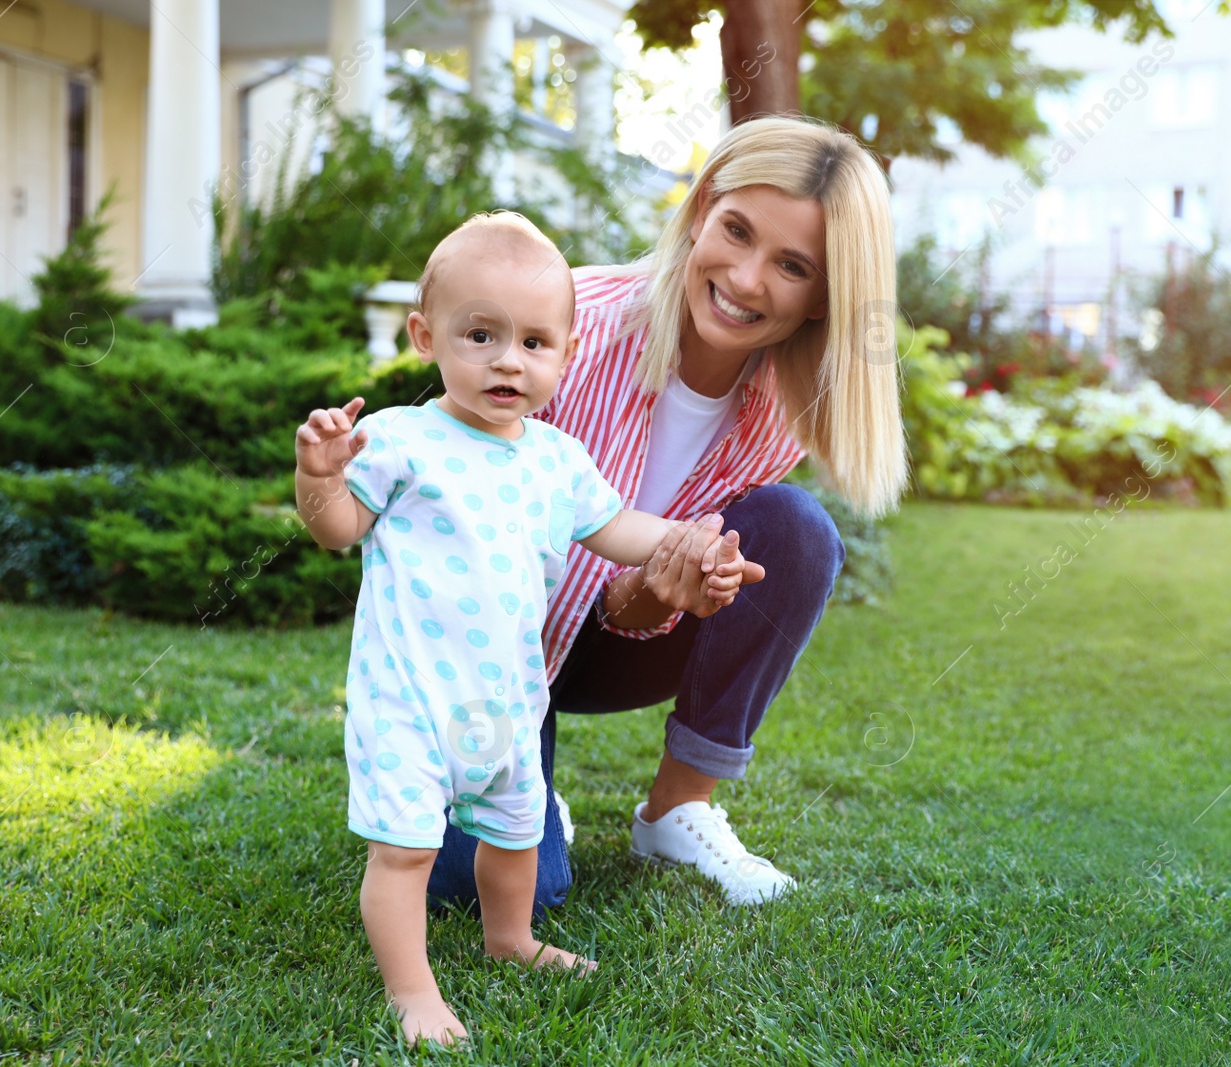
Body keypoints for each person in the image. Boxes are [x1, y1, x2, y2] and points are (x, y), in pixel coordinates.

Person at [293, 212, 757, 1046]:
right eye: (481, 335)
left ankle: (512, 940)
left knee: (515, 833)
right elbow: (338, 530)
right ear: (426, 336)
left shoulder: (557, 460)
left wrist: (698, 547)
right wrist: (317, 476)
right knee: (404, 850)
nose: (509, 360)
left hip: (511, 697)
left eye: (536, 342)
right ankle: (413, 992)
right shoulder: (401, 440)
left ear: (567, 354)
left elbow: (625, 531)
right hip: (411, 698)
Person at [426, 115, 907, 911]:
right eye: (738, 231)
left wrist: (663, 588)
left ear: (826, 295)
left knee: (797, 531)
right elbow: (444, 521)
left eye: (791, 265)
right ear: (703, 207)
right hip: (486, 646)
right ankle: (532, 796)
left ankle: (678, 808)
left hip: (611, 638)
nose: (748, 280)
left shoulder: (779, 411)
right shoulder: (568, 328)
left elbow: (625, 605)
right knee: (476, 892)